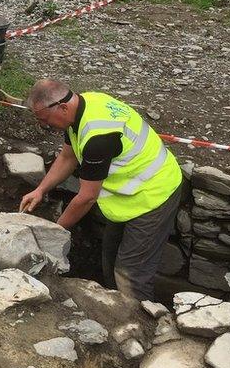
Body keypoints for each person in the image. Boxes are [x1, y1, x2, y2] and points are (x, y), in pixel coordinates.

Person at [17, 79, 183, 301]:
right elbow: (68, 157)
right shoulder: (81, 109)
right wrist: (40, 190)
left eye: (45, 120)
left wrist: (54, 232)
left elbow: (86, 197)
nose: (46, 126)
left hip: (154, 196)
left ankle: (139, 323)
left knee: (130, 274)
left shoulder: (98, 137)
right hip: (128, 198)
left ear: (62, 107)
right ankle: (115, 308)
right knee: (110, 259)